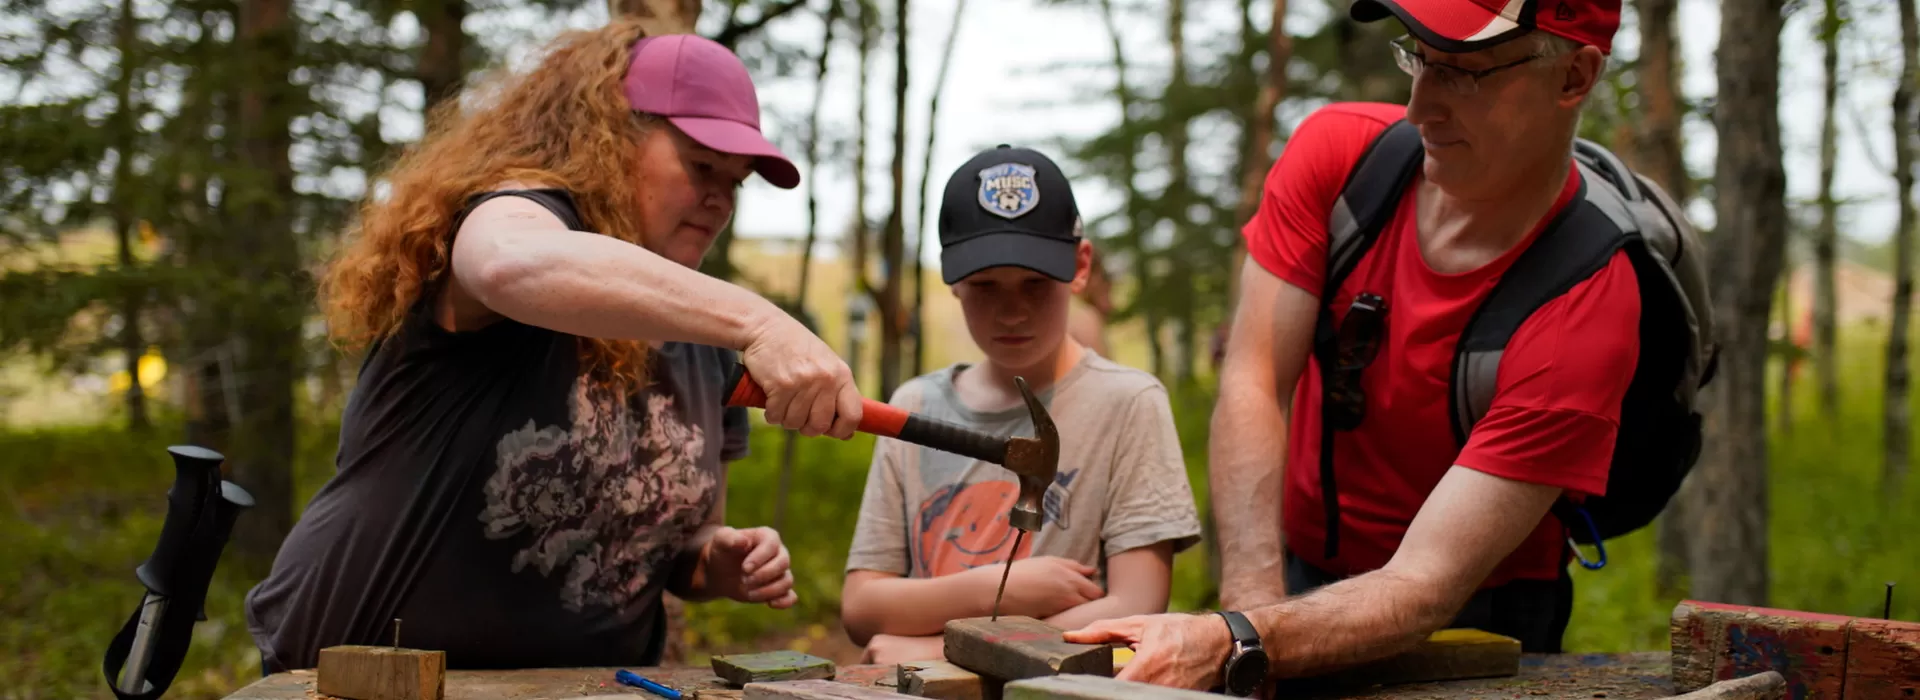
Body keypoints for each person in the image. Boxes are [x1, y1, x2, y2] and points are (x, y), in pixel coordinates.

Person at [1063, 0, 1681, 693]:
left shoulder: (1586, 306)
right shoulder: (1342, 160)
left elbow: (1425, 585)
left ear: (1575, 75)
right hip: (1289, 570)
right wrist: (1254, 613)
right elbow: (1255, 380)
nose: (1420, 108)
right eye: (1417, 57)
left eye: (1464, 73)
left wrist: (1240, 637)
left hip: (1482, 615)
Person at [244, 22, 865, 673]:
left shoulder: (704, 337)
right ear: (608, 137)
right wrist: (761, 321)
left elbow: (682, 544)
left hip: (590, 687)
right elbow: (508, 263)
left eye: (735, 182)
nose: (719, 198)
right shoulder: (519, 217)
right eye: (702, 165)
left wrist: (718, 560)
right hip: (362, 673)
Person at [839, 145, 1204, 664]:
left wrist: (936, 652)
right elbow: (862, 606)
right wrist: (1002, 590)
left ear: (1079, 266)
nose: (1012, 312)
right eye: (986, 286)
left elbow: (1138, 603)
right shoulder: (914, 402)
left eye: (1035, 284)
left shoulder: (1129, 404)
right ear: (953, 281)